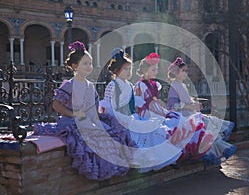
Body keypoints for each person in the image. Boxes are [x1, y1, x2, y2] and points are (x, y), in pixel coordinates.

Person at [34, 41, 135, 180]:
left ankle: (111, 169)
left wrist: (96, 121)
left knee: (109, 131)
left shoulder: (90, 86)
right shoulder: (70, 84)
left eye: (90, 63)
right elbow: (56, 105)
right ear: (75, 66)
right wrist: (73, 114)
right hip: (71, 120)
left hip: (88, 119)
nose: (89, 66)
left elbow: (93, 108)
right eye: (85, 63)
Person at [100, 49, 199, 172]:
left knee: (153, 129)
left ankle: (164, 158)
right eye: (125, 69)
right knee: (143, 132)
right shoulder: (113, 85)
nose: (128, 72)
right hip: (118, 120)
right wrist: (126, 119)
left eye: (129, 69)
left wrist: (136, 117)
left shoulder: (129, 85)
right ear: (116, 70)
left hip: (131, 117)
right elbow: (109, 107)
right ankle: (148, 159)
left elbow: (133, 106)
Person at [133, 53, 215, 162]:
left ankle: (183, 152)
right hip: (147, 113)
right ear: (144, 71)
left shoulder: (154, 84)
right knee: (164, 128)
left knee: (176, 122)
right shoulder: (140, 85)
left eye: (156, 69)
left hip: (157, 110)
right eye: (153, 70)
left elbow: (156, 101)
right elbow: (138, 102)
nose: (156, 72)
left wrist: (160, 105)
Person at [167, 57, 237, 166]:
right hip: (183, 116)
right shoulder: (174, 86)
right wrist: (189, 107)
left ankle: (214, 152)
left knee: (209, 128)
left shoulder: (184, 85)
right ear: (176, 72)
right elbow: (172, 105)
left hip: (191, 113)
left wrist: (194, 104)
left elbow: (187, 99)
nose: (185, 74)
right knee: (203, 129)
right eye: (183, 71)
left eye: (186, 71)